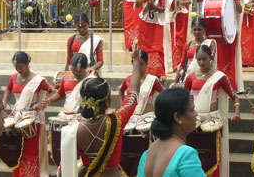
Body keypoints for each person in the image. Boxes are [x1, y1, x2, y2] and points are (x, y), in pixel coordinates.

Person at [60, 44, 143, 177]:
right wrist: (136, 61)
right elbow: (133, 93)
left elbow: (65, 166)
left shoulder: (73, 130)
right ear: (107, 101)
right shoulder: (118, 120)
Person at [184, 44, 241, 177]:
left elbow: (234, 96)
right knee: (193, 155)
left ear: (211, 58)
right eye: (198, 59)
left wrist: (237, 113)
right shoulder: (190, 77)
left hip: (213, 121)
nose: (201, 62)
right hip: (194, 121)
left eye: (204, 59)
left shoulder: (219, 77)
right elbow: (183, 98)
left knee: (211, 157)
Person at [2, 51, 52, 177]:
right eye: (16, 67)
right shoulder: (13, 77)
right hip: (17, 117)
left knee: (30, 151)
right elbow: (8, 88)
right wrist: (4, 100)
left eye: (21, 67)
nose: (18, 70)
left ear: (28, 64)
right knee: (17, 150)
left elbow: (52, 92)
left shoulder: (38, 80)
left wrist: (42, 103)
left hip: (32, 119)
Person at [137, 88, 205, 177]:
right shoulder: (186, 154)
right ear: (178, 117)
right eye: (192, 110)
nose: (196, 114)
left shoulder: (147, 154)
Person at [136, 0, 171, 81]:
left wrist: (155, 8)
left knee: (156, 47)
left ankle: (158, 71)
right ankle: (143, 70)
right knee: (143, 46)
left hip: (156, 22)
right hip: (144, 21)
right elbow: (137, 6)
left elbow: (163, 8)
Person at [42, 53, 93, 119]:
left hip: (82, 116)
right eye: (73, 70)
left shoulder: (91, 80)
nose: (76, 73)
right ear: (70, 66)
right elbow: (60, 93)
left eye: (80, 71)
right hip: (66, 114)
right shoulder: (66, 77)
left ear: (85, 67)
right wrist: (48, 100)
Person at [216, 0, 243, 91]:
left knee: (230, 58)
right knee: (219, 58)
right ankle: (219, 83)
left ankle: (230, 85)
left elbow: (240, 10)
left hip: (231, 33)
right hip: (219, 32)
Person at [167, 0, 191, 72]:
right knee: (171, 38)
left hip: (181, 15)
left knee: (179, 38)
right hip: (170, 15)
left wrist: (179, 2)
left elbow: (189, 1)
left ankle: (180, 63)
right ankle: (171, 63)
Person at [173, 16, 207, 84]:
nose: (197, 32)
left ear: (204, 30)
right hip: (189, 78)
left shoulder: (208, 44)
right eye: (195, 29)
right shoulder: (188, 45)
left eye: (199, 30)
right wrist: (175, 82)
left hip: (204, 78)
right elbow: (182, 64)